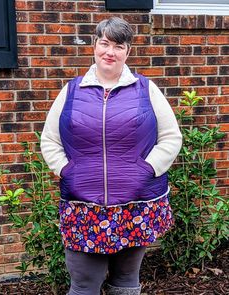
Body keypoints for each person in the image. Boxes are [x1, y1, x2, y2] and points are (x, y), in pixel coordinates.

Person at [41, 17, 182, 295]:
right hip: (84, 206)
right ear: (95, 46)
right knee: (83, 285)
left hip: (135, 204)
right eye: (104, 43)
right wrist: (67, 170)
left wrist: (146, 170)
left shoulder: (146, 89)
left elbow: (171, 137)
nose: (110, 51)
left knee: (126, 282)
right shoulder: (71, 91)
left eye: (118, 46)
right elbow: (49, 140)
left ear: (127, 51)